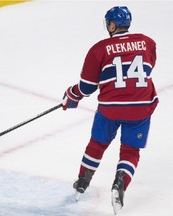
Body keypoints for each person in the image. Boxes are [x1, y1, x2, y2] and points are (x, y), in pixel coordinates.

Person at [62, 6, 158, 214]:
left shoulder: (99, 49)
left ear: (112, 25)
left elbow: (87, 86)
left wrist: (72, 95)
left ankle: (82, 182)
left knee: (97, 144)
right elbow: (148, 67)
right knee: (131, 150)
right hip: (141, 107)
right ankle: (120, 184)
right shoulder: (148, 42)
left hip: (111, 108)